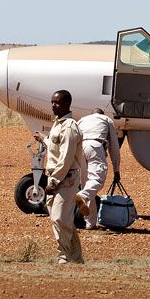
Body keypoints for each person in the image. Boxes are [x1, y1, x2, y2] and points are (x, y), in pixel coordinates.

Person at [38, 90, 85, 264]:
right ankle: (76, 257)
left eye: (57, 102)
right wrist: (43, 139)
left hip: (66, 179)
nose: (53, 105)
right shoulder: (58, 124)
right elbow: (55, 147)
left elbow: (66, 158)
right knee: (63, 220)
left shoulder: (70, 126)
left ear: (66, 104)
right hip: (56, 177)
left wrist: (54, 181)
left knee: (59, 218)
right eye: (52, 102)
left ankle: (64, 257)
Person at [77, 109, 120, 230]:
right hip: (95, 146)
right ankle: (82, 195)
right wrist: (116, 169)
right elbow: (114, 147)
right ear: (102, 114)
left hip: (80, 148)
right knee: (97, 179)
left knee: (87, 185)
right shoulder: (106, 119)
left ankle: (90, 223)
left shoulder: (82, 120)